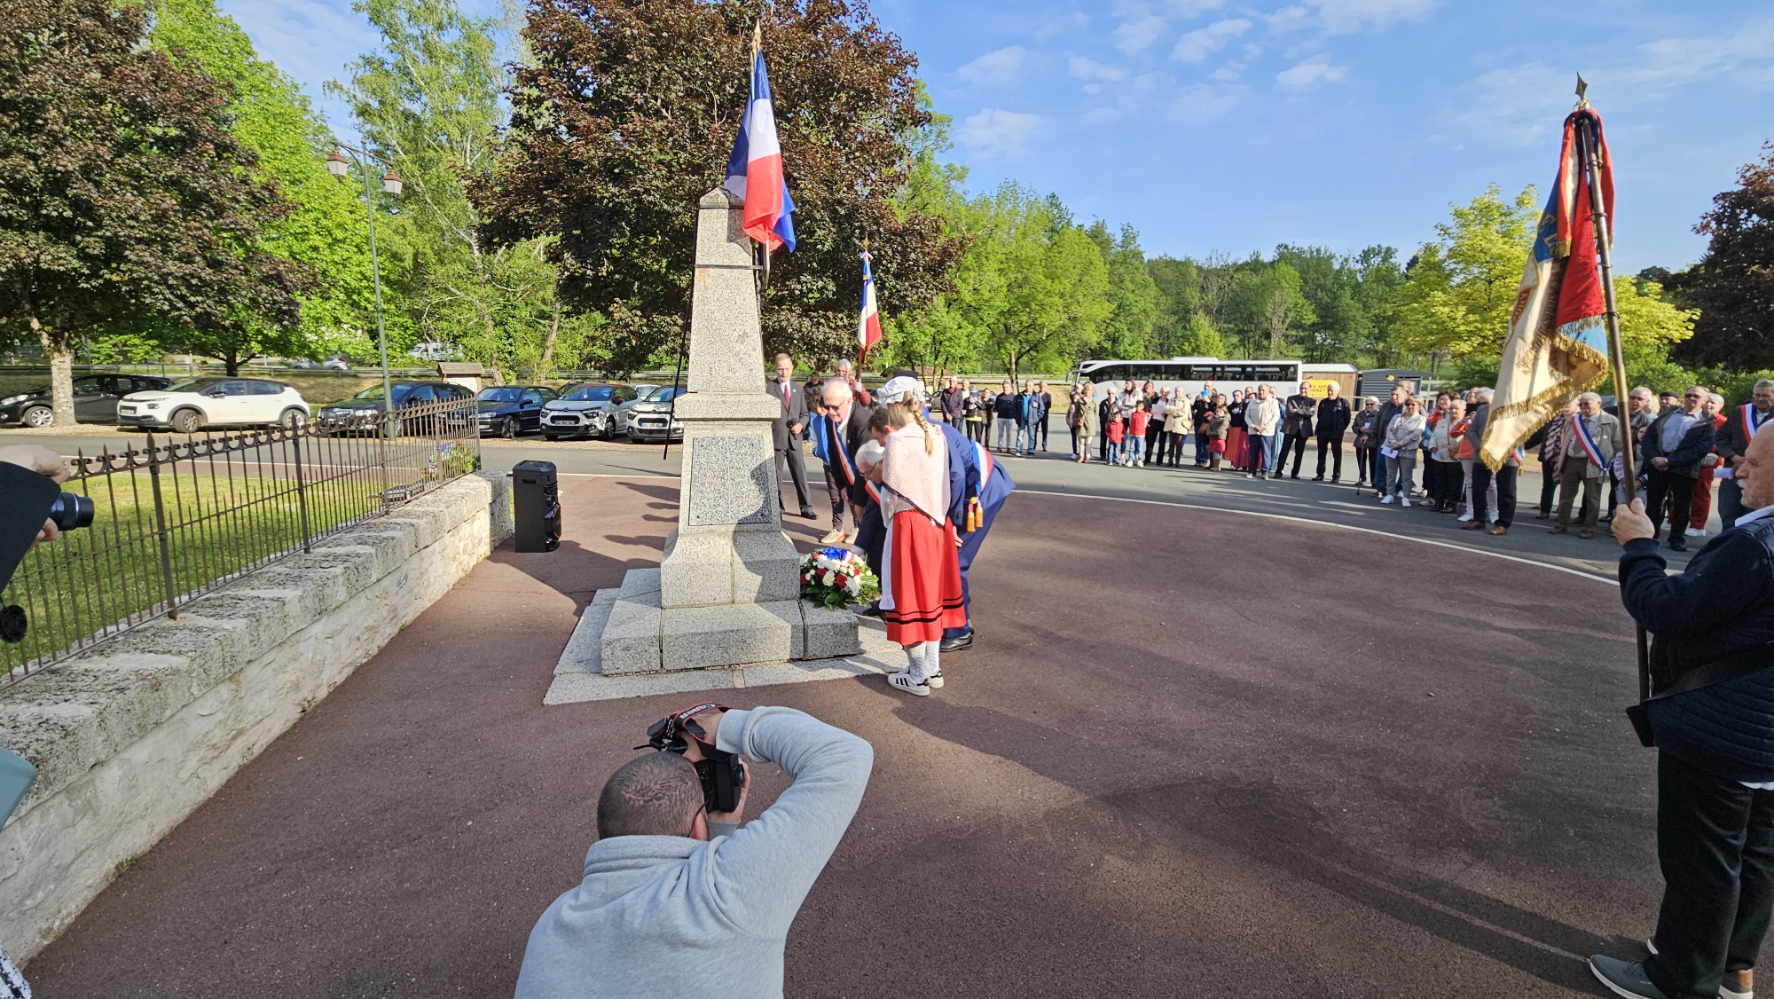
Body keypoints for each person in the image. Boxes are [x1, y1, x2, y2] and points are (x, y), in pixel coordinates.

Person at [1587, 423, 1774, 999]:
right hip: (1763, 728)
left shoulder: (1757, 544)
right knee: (1757, 852)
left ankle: (1681, 978)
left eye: (1756, 462)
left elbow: (1670, 610)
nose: (1738, 470)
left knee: (1705, 858)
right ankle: (1733, 965)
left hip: (1728, 724)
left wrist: (1639, 548)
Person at [514, 704, 872, 999]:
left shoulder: (550, 926)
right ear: (698, 826)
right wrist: (720, 726)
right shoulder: (727, 896)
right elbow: (844, 755)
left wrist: (715, 832)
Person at [870, 377, 966, 695]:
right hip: (937, 524)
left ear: (895, 405)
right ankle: (932, 668)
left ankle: (917, 674)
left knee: (907, 596)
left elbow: (891, 494)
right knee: (932, 598)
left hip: (908, 524)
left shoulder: (898, 441)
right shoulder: (935, 434)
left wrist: (876, 474)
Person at [936, 410, 1016, 653]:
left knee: (954, 560)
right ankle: (961, 619)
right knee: (950, 559)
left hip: (981, 490)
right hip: (971, 489)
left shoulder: (930, 431)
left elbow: (957, 475)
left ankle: (958, 630)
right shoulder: (920, 426)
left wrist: (953, 521)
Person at [1643, 386, 1719, 553]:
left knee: (1682, 504)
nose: (1691, 398)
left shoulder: (1706, 423)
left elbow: (1700, 449)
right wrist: (1654, 457)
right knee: (1654, 502)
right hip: (1657, 463)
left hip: (1684, 467)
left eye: (1696, 396)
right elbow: (1649, 437)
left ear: (1705, 401)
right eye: (1688, 394)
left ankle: (1676, 539)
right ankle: (1649, 535)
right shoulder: (1666, 415)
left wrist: (1670, 461)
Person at [1548, 392, 1621, 539]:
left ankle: (1589, 528)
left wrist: (1606, 460)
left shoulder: (1611, 421)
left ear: (1599, 403)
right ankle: (1561, 524)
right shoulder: (1573, 420)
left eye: (1587, 404)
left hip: (1593, 462)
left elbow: (1618, 445)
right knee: (1565, 496)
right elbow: (1565, 439)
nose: (1583, 407)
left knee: (1592, 498)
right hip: (1571, 461)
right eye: (1581, 404)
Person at [817, 379, 875, 545]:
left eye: (835, 406)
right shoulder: (831, 419)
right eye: (826, 406)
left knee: (868, 526)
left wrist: (857, 499)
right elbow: (834, 455)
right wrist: (842, 485)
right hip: (850, 478)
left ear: (849, 400)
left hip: (869, 480)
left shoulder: (862, 421)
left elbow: (865, 464)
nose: (831, 411)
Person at [1716, 380, 1774, 530]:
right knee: (1729, 512)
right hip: (1734, 472)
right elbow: (1721, 438)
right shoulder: (1740, 412)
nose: (1760, 399)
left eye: (1766, 395)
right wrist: (1734, 457)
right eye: (1757, 395)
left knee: (1755, 515)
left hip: (1761, 477)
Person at [1463, 387, 1517, 535]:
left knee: (1506, 491)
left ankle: (1503, 524)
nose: (1482, 405)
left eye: (1485, 402)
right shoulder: (1481, 411)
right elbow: (1471, 431)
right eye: (1480, 402)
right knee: (1478, 488)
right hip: (1481, 455)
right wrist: (1481, 447)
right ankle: (1478, 519)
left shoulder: (1511, 411)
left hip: (1506, 456)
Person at [767, 353, 816, 520]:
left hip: (795, 439)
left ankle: (806, 507)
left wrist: (801, 425)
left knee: (800, 474)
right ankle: (778, 509)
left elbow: (804, 413)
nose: (784, 372)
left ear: (792, 368)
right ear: (775, 369)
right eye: (780, 369)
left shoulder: (798, 388)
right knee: (776, 476)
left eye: (787, 369)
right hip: (777, 438)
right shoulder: (769, 388)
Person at [1690, 393, 1728, 539]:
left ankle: (1698, 525)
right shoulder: (1697, 418)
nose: (1709, 405)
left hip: (1708, 462)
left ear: (1720, 406)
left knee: (1701, 491)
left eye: (1712, 403)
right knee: (1682, 490)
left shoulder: (1723, 421)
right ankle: (1673, 519)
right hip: (1690, 458)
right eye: (1706, 401)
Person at [1380, 396, 1426, 506]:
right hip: (1391, 447)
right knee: (1391, 473)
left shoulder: (1421, 419)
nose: (1410, 406)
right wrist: (1392, 442)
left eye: (1413, 404)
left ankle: (1405, 497)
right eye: (1408, 404)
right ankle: (1390, 494)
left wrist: (1399, 444)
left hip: (1407, 449)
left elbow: (1415, 434)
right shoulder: (1397, 417)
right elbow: (1389, 429)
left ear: (1419, 406)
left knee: (1406, 475)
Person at [1428, 398, 1467, 513]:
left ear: (1464, 410)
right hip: (1440, 456)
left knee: (1453, 482)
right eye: (1451, 408)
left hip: (1455, 457)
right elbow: (1434, 435)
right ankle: (1439, 502)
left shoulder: (1464, 423)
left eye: (1456, 408)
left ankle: (1451, 504)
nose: (1453, 410)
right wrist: (1432, 446)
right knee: (1440, 481)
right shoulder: (1443, 421)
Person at [1371, 382, 1410, 499]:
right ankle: (1381, 488)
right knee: (1382, 464)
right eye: (1392, 394)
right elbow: (1377, 422)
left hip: (1404, 442)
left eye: (1397, 395)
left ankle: (1400, 489)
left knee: (1404, 467)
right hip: (1386, 440)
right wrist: (1368, 434)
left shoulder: (1410, 405)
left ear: (1404, 395)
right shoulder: (1386, 406)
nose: (1394, 397)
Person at [1313, 382, 1352, 483]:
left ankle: (1336, 476)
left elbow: (1347, 419)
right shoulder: (1323, 402)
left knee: (1336, 455)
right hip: (1322, 432)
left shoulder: (1343, 403)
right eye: (1328, 390)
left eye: (1332, 391)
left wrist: (1341, 428)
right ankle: (1320, 474)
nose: (1330, 392)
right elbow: (1319, 416)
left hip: (1336, 433)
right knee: (1321, 454)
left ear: (1338, 391)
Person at [1279, 380, 1317, 479]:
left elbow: (1311, 414)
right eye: (1301, 388)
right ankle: (1278, 471)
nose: (1303, 390)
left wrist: (1297, 411)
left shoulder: (1312, 401)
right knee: (1284, 450)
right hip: (1290, 428)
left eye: (1305, 388)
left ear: (1309, 389)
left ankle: (1295, 473)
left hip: (1303, 429)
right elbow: (1289, 412)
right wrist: (1304, 411)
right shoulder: (1291, 398)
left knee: (1299, 453)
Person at [1245, 385, 1281, 480]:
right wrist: (1253, 426)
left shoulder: (1273, 402)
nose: (1261, 392)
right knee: (1253, 452)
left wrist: (1264, 427)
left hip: (1267, 432)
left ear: (1268, 391)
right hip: (1254, 431)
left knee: (1266, 453)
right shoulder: (1252, 403)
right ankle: (1252, 471)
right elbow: (1246, 416)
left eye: (1263, 390)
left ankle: (1265, 472)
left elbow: (1276, 416)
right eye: (1259, 390)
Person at [1351, 397, 1380, 487]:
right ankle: (1362, 478)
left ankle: (1374, 480)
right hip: (1360, 440)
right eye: (1367, 404)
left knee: (1373, 461)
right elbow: (1354, 426)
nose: (1369, 406)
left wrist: (1370, 431)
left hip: (1373, 440)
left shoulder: (1379, 414)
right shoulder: (1360, 414)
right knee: (1361, 460)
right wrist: (1359, 429)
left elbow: (1380, 427)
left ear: (1376, 405)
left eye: (1372, 404)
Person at [1204, 395, 1230, 471]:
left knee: (1217, 451)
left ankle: (1216, 466)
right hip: (1212, 436)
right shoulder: (1215, 411)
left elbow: (1222, 427)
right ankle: (1212, 464)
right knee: (1212, 450)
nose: (1219, 400)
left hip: (1219, 436)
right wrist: (1209, 432)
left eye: (1221, 399)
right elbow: (1210, 424)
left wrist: (1212, 433)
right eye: (1218, 398)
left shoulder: (1226, 415)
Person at [992, 381, 1017, 453]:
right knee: (1000, 433)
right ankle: (999, 447)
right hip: (1000, 417)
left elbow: (1016, 407)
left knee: (1009, 433)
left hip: (1009, 418)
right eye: (1004, 387)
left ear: (1010, 387)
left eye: (1006, 387)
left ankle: (1008, 447)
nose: (1005, 388)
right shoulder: (999, 397)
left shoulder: (1013, 396)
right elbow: (996, 407)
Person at [1127, 401, 1150, 467]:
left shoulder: (1144, 415)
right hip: (1133, 433)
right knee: (1132, 447)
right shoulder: (1132, 414)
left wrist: (1141, 430)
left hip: (1141, 433)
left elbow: (1145, 424)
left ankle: (1140, 460)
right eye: (1137, 406)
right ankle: (1131, 460)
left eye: (1139, 406)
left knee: (1140, 447)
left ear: (1143, 407)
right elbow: (1130, 422)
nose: (1138, 408)